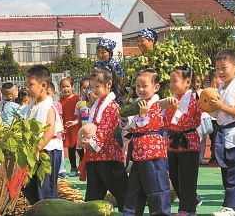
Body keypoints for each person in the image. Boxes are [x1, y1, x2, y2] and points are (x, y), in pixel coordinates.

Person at [78, 67, 128, 213]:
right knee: (93, 197)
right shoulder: (97, 104)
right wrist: (83, 139)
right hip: (95, 157)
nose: (94, 90)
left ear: (108, 84)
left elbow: (105, 129)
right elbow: (91, 126)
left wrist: (92, 144)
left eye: (97, 86)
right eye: (92, 87)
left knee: (122, 193)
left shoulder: (112, 106)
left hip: (109, 157)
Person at [208, 49, 235, 216]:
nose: (220, 72)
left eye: (224, 68)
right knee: (227, 172)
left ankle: (231, 207)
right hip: (223, 134)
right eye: (217, 68)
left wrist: (220, 107)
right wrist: (209, 108)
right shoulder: (221, 88)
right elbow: (218, 114)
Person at [122, 69, 171, 216]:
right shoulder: (138, 104)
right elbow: (129, 125)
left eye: (144, 86)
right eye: (138, 86)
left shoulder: (157, 105)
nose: (140, 89)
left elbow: (145, 124)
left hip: (153, 154)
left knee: (157, 188)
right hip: (138, 154)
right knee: (134, 190)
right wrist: (124, 120)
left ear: (156, 87)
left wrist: (142, 116)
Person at [21, 65, 63, 204]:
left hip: (47, 151)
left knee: (46, 191)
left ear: (43, 85)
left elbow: (49, 132)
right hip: (34, 152)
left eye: (31, 84)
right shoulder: (30, 106)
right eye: (26, 84)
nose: (27, 87)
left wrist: (36, 149)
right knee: (29, 187)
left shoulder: (48, 106)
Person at [164, 65, 202, 216]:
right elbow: (167, 123)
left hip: (189, 142)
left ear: (187, 82)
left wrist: (174, 110)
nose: (172, 84)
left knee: (187, 177)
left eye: (175, 81)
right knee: (174, 176)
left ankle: (187, 209)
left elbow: (189, 122)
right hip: (173, 142)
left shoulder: (193, 100)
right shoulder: (172, 101)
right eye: (170, 81)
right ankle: (191, 201)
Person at [60, 77, 84, 177]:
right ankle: (73, 168)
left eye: (67, 86)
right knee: (70, 150)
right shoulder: (60, 101)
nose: (65, 89)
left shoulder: (78, 99)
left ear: (72, 87)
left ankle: (83, 167)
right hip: (67, 128)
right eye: (63, 87)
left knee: (80, 149)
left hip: (77, 127)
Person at [47, 82, 67, 179]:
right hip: (49, 135)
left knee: (60, 152)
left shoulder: (57, 104)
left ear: (54, 93)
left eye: (49, 93)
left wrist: (62, 128)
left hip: (57, 133)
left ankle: (62, 170)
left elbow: (60, 117)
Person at [192, 74, 212, 165]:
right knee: (197, 138)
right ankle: (195, 157)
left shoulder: (204, 92)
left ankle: (201, 157)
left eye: (198, 82)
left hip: (204, 118)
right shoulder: (189, 93)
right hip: (194, 119)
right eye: (194, 82)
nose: (196, 84)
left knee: (203, 138)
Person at [208, 69, 222, 163]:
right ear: (214, 80)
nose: (221, 80)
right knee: (213, 138)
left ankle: (216, 156)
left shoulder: (221, 90)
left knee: (216, 138)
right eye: (218, 78)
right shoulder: (210, 91)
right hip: (212, 119)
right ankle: (214, 156)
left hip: (218, 119)